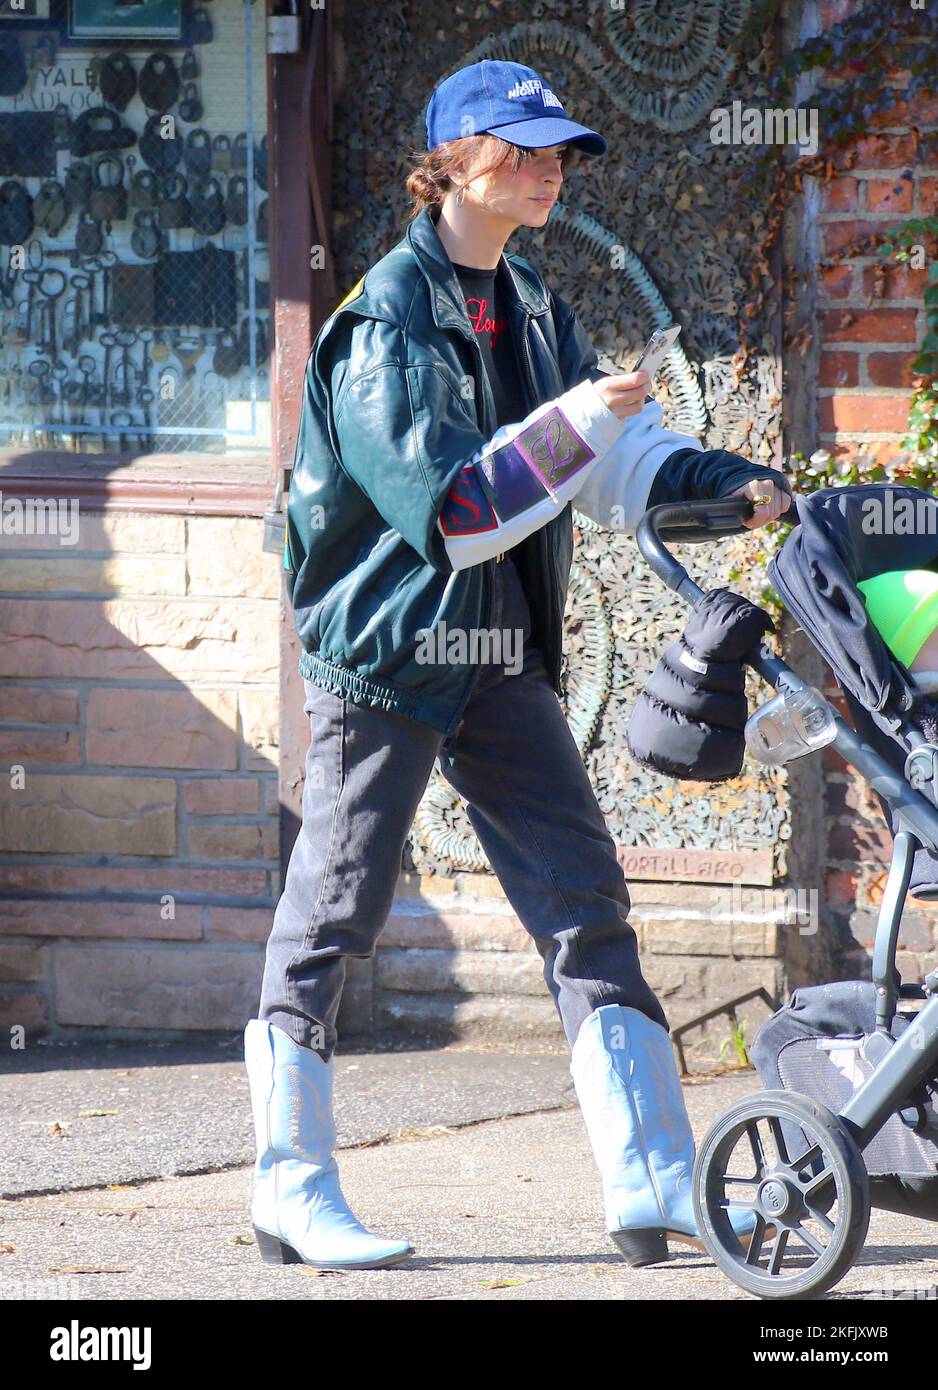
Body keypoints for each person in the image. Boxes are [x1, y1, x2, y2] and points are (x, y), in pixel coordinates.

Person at [243, 58, 792, 1273]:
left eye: (560, 152)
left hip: (497, 657)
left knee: (584, 899)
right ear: (450, 162)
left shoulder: (530, 303)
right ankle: (289, 1187)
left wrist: (713, 481)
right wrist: (583, 423)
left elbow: (610, 461)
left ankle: (657, 1187)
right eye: (524, 147)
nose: (548, 167)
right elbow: (460, 510)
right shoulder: (386, 317)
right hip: (386, 655)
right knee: (335, 912)